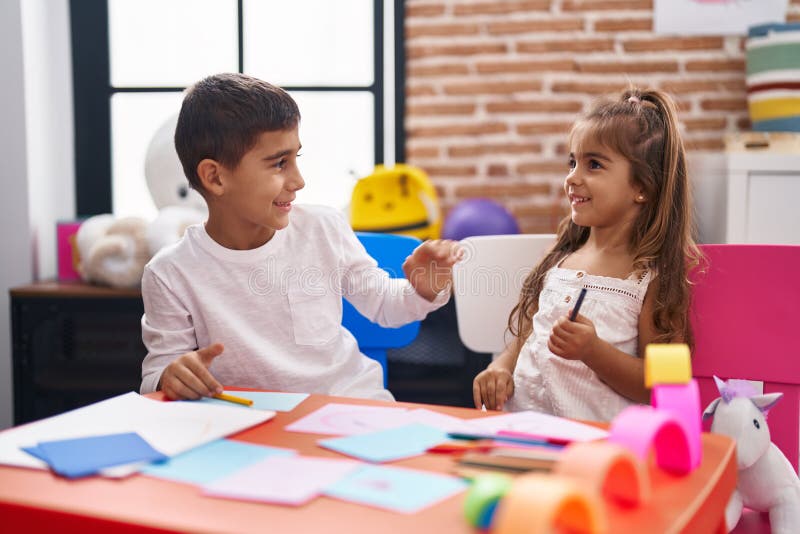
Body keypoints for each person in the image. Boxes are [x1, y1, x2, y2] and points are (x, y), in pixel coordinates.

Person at [140, 73, 459, 402]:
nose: (298, 180)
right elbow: (156, 374)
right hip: (246, 422)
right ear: (215, 177)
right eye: (279, 163)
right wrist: (171, 376)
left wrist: (423, 288)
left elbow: (384, 305)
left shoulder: (323, 228)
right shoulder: (169, 273)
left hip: (347, 404)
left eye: (296, 158)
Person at [472, 88, 700, 422]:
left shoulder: (650, 277)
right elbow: (527, 337)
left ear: (642, 188)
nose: (572, 178)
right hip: (521, 429)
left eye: (594, 164)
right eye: (572, 162)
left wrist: (594, 351)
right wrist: (500, 367)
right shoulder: (560, 257)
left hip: (596, 449)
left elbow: (662, 385)